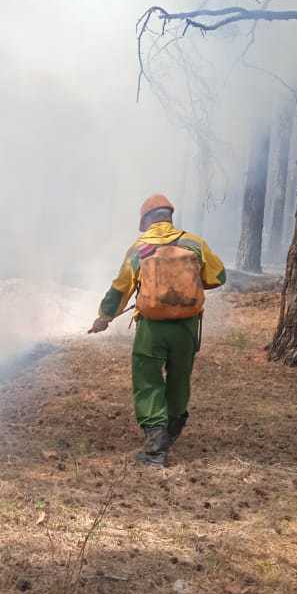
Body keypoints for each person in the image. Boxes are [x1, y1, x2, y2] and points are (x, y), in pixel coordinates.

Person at [89, 194, 225, 467]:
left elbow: (120, 288)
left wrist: (104, 317)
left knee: (148, 381)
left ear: (147, 221)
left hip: (151, 329)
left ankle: (155, 447)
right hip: (186, 327)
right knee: (179, 378)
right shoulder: (195, 243)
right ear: (169, 217)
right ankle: (172, 430)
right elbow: (217, 277)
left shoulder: (139, 249)